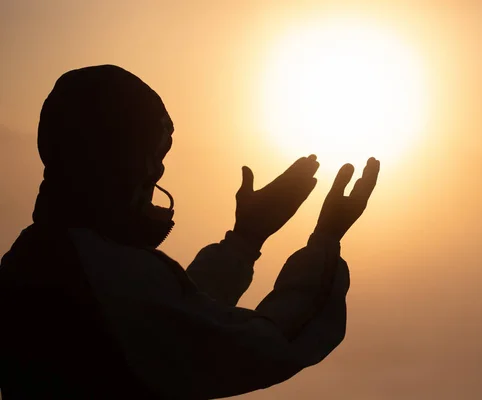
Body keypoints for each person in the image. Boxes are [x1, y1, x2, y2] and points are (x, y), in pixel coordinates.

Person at [0, 65, 380, 399]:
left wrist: (246, 237)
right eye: (150, 155)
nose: (157, 173)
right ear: (113, 159)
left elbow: (173, 320)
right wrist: (326, 240)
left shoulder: (44, 256)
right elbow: (261, 347)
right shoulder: (86, 269)